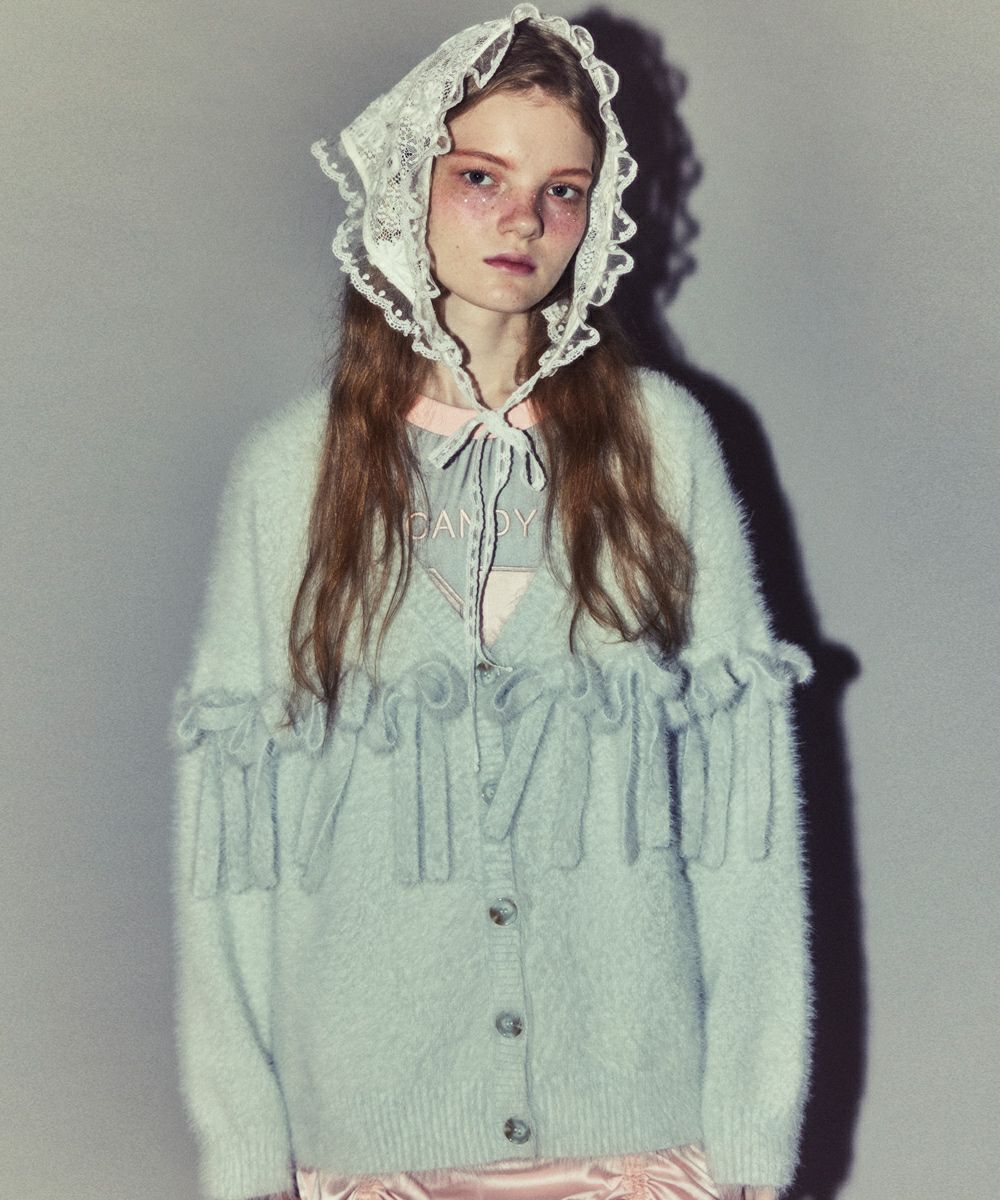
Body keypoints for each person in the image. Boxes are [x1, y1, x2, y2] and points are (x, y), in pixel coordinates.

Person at [171, 6, 814, 1200]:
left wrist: (749, 1122)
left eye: (562, 191)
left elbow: (746, 822)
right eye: (481, 177)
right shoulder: (289, 476)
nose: (523, 221)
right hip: (369, 1145)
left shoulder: (660, 448)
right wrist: (244, 1144)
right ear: (406, 184)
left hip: (640, 1138)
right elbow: (233, 855)